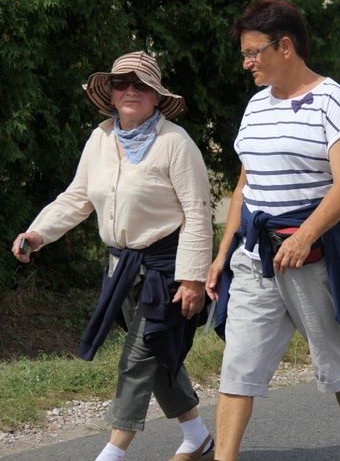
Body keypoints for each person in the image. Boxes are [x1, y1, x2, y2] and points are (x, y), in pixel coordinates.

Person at [11, 51, 215, 461]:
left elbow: (197, 213)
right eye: (122, 83)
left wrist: (193, 278)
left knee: (136, 359)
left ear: (157, 96)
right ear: (111, 92)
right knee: (157, 351)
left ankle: (112, 453)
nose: (130, 91)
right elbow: (77, 197)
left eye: (141, 85)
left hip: (167, 269)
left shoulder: (175, 143)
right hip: (121, 268)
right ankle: (198, 436)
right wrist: (37, 233)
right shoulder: (101, 138)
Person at [205, 0, 340, 461]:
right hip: (254, 256)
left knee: (336, 366)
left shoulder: (331, 99)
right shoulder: (256, 106)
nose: (246, 63)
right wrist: (224, 252)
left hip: (311, 257)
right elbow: (246, 185)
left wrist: (304, 237)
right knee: (237, 367)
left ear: (284, 46)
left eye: (252, 52)